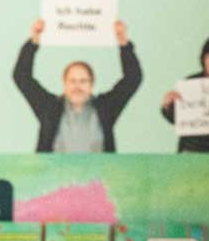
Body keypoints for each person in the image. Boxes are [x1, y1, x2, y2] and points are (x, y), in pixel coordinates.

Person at [13, 18, 142, 153]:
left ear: (92, 84)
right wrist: (34, 40)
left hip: (98, 173)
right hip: (55, 173)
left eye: (83, 81)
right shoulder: (49, 108)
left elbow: (133, 78)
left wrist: (123, 43)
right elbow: (21, 77)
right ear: (64, 83)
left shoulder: (106, 108)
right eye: (72, 81)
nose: (77, 86)